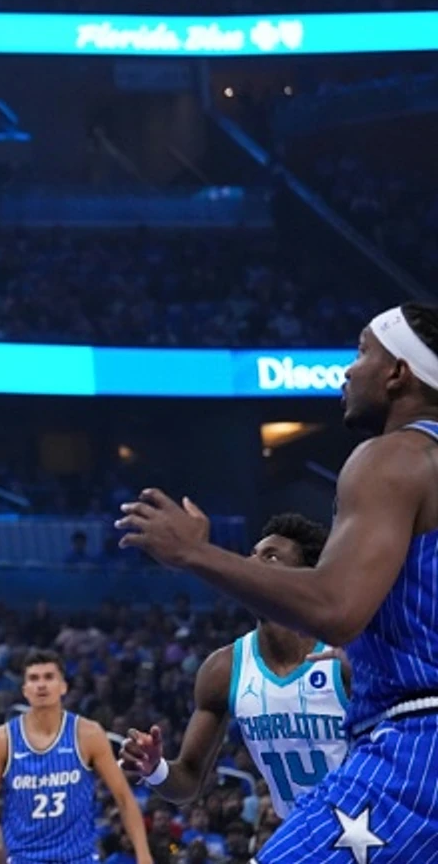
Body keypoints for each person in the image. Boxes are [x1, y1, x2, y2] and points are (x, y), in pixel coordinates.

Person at [117, 302, 438, 862]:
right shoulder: (225, 667)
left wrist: (196, 553)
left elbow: (336, 608)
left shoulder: (395, 457)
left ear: (398, 372)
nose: (348, 369)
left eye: (363, 350)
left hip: (416, 748)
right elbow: (188, 776)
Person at [120, 514, 348, 820]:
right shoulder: (223, 669)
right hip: (301, 834)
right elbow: (188, 781)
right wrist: (155, 768)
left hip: (375, 830)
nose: (251, 563)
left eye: (270, 556)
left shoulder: (346, 656)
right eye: (251, 554)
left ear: (304, 577)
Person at [0, 652, 151, 864]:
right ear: (25, 690)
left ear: (63, 686)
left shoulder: (89, 734)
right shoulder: (3, 739)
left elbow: (124, 797)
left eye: (49, 677)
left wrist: (144, 855)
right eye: (34, 679)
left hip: (78, 858)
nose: (41, 685)